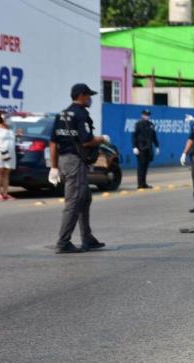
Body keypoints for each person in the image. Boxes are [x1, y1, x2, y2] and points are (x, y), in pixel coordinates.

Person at [48, 83, 110, 254]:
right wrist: (102, 139)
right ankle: (63, 242)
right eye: (88, 95)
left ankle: (87, 237)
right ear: (81, 95)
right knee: (74, 201)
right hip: (75, 161)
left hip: (64, 160)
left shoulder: (62, 114)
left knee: (85, 198)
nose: (90, 99)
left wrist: (54, 167)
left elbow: (53, 142)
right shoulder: (81, 114)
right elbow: (86, 141)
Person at [132, 109, 159, 189]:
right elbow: (134, 136)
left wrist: (157, 146)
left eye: (148, 115)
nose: (147, 116)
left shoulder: (151, 125)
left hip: (149, 148)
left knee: (146, 166)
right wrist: (134, 147)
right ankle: (140, 184)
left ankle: (144, 183)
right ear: (142, 115)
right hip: (141, 148)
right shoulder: (138, 124)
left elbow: (154, 136)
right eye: (145, 115)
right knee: (141, 166)